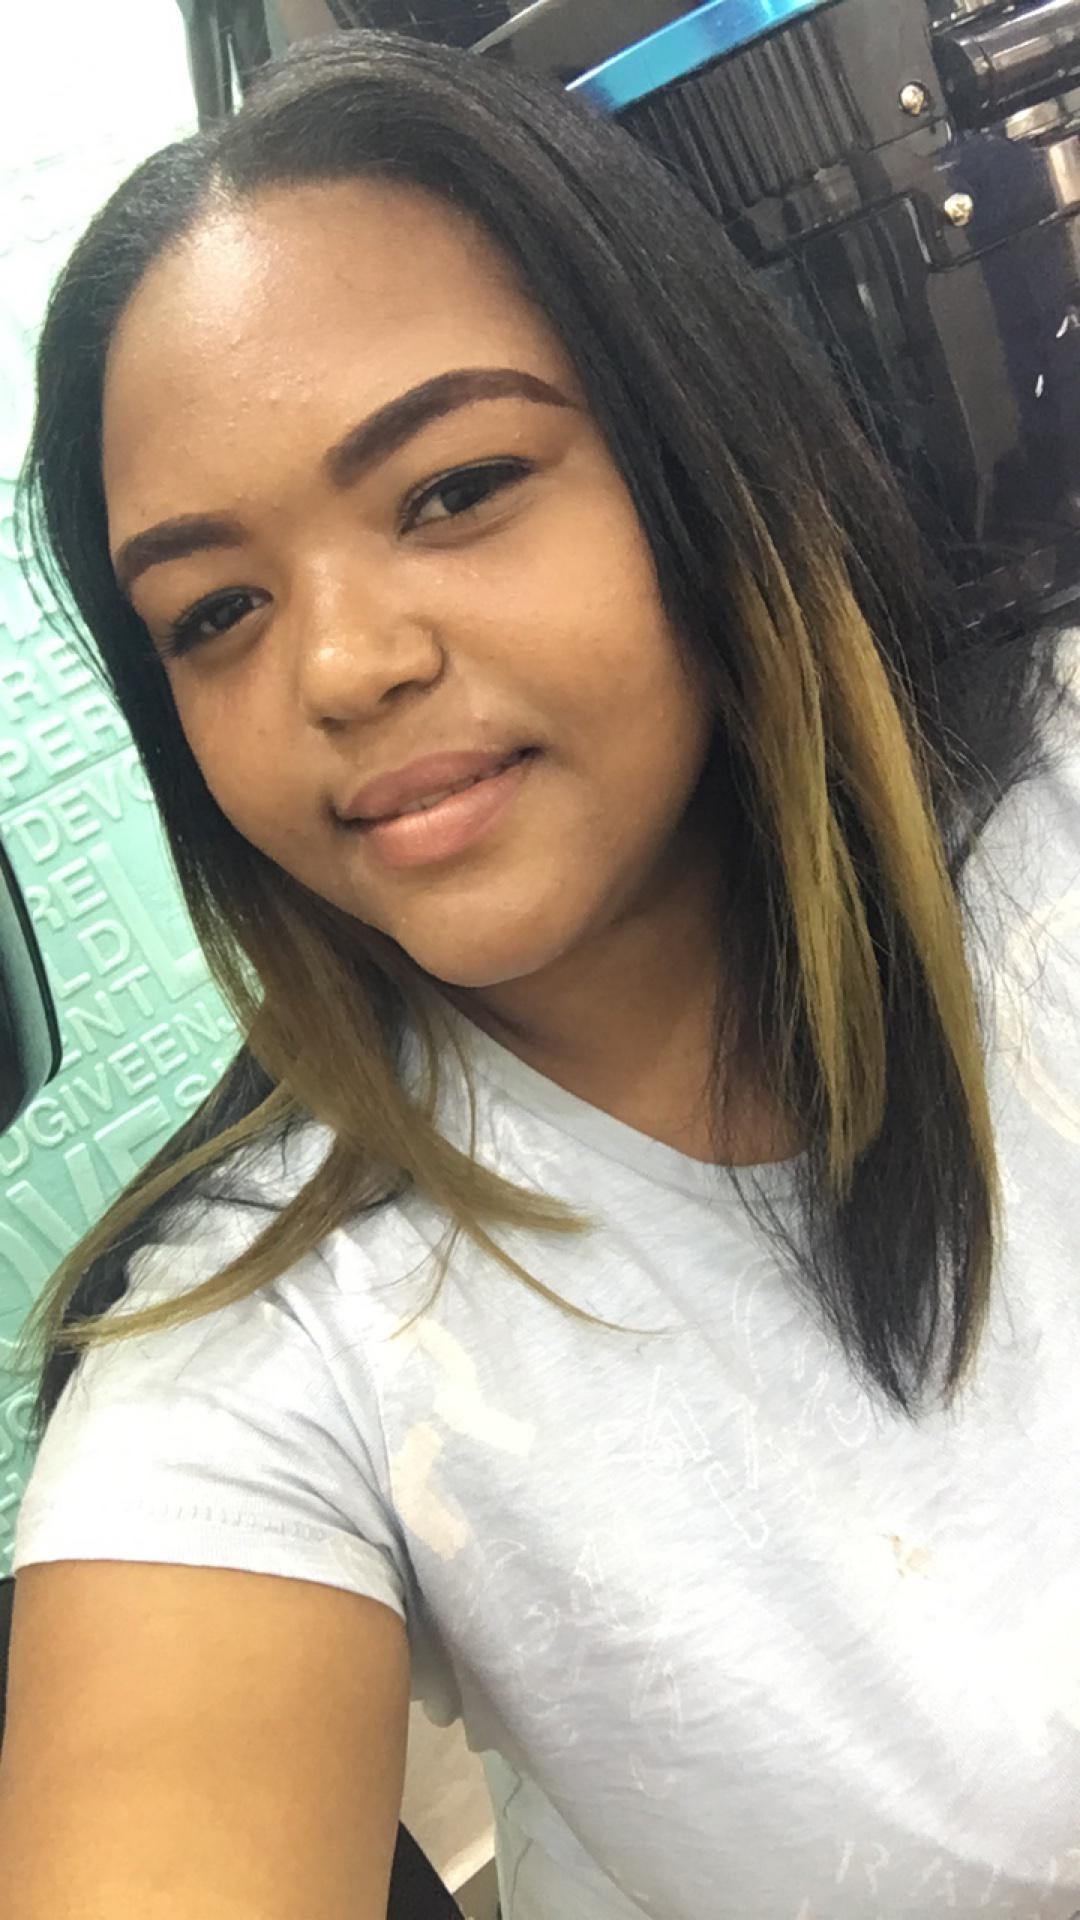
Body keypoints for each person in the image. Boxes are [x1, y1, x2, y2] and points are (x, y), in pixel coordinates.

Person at [1, 28, 1078, 1920]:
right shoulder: (258, 1351)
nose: (341, 667)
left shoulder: (1050, 799)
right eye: (217, 610)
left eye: (454, 488)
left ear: (700, 454)